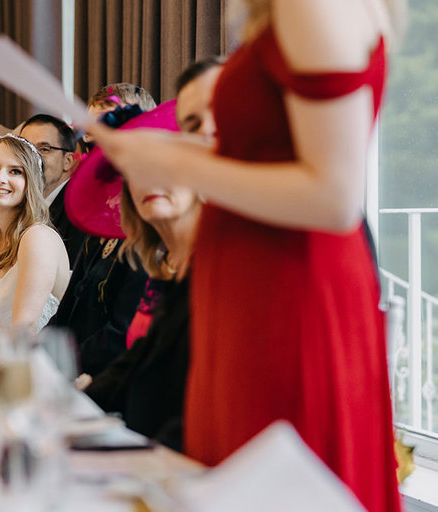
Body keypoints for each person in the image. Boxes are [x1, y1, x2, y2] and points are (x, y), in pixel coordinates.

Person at [87, 1, 402, 510]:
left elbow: (335, 196)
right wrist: (148, 151)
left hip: (287, 292)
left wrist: (170, 158)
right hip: (251, 293)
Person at [84, 61, 222, 451]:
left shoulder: (220, 266)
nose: (151, 180)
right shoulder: (161, 268)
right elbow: (137, 366)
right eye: (137, 170)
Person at [52, 83, 158, 377]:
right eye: (90, 143)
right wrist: (39, 352)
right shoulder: (98, 226)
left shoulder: (153, 231)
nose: (97, 156)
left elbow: (121, 333)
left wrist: (59, 363)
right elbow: (68, 307)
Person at [0, 133, 70, 341]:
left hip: (31, 364)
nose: (0, 178)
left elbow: (25, 329)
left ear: (31, 183)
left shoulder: (37, 237)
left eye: (15, 171)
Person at [19, 114, 86, 266]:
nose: (32, 157)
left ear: (67, 161)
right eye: (25, 148)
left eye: (44, 149)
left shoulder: (79, 212)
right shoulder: (15, 207)